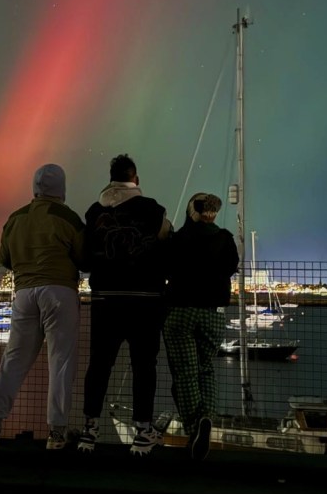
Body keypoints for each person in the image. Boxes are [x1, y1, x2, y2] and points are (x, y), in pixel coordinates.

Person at [0, 163, 86, 451]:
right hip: (59, 293)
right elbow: (84, 257)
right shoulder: (68, 217)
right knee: (60, 362)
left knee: (13, 361)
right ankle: (56, 432)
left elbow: (4, 257)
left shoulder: (16, 218)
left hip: (24, 293)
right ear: (61, 188)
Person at [77, 153, 172, 456]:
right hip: (146, 301)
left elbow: (85, 258)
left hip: (105, 300)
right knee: (144, 366)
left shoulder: (94, 213)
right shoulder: (153, 210)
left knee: (99, 364)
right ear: (136, 179)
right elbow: (166, 246)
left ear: (110, 179)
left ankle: (89, 430)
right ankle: (143, 432)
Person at [162, 193, 240, 461]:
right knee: (206, 369)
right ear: (213, 213)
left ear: (191, 212)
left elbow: (166, 269)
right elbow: (231, 267)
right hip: (213, 315)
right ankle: (206, 418)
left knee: (185, 374)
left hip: (181, 313)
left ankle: (195, 427)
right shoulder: (225, 239)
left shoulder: (178, 239)